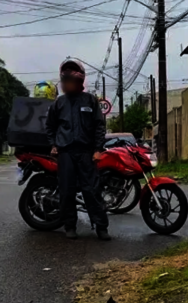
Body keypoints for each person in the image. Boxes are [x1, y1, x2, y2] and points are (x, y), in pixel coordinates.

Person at [45, 58, 110, 240]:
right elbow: (50, 126)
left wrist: (98, 149)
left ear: (80, 81)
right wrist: (54, 145)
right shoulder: (59, 103)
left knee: (92, 190)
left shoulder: (90, 101)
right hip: (65, 153)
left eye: (71, 79)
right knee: (67, 191)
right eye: (65, 79)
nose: (67, 83)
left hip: (86, 153)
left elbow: (99, 126)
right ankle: (70, 226)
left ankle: (101, 227)